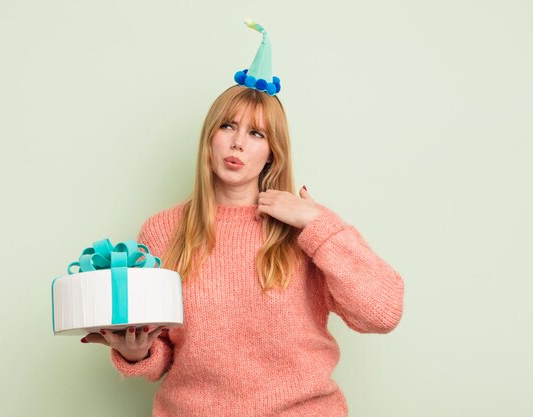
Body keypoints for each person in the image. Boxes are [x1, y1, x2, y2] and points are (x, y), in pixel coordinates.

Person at [81, 20, 404, 417]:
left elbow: (383, 312)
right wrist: (138, 352)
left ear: (273, 152)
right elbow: (164, 347)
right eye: (228, 126)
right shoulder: (164, 230)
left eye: (257, 134)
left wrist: (316, 224)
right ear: (210, 137)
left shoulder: (306, 227)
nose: (237, 142)